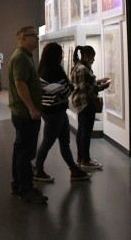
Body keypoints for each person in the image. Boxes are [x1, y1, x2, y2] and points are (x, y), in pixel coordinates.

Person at [33, 42, 91, 182]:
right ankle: (38, 169)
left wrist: (66, 87)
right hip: (55, 112)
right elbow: (65, 91)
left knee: (62, 142)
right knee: (49, 141)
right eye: (61, 54)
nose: (62, 56)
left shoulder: (42, 69)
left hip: (51, 111)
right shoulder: (55, 70)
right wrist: (69, 87)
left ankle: (73, 169)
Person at [8, 26, 47, 204]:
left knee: (20, 150)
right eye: (33, 36)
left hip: (23, 113)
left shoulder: (25, 57)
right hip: (25, 114)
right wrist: (32, 108)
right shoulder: (21, 58)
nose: (37, 38)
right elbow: (20, 84)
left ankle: (18, 184)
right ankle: (25, 189)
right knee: (25, 153)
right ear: (23, 38)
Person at [70, 45, 109, 169]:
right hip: (86, 103)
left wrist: (99, 81)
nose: (94, 59)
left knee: (82, 131)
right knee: (85, 133)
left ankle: (81, 158)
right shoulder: (82, 69)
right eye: (93, 56)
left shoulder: (77, 66)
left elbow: (86, 84)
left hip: (81, 103)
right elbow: (85, 89)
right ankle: (85, 160)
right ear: (86, 56)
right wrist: (102, 87)